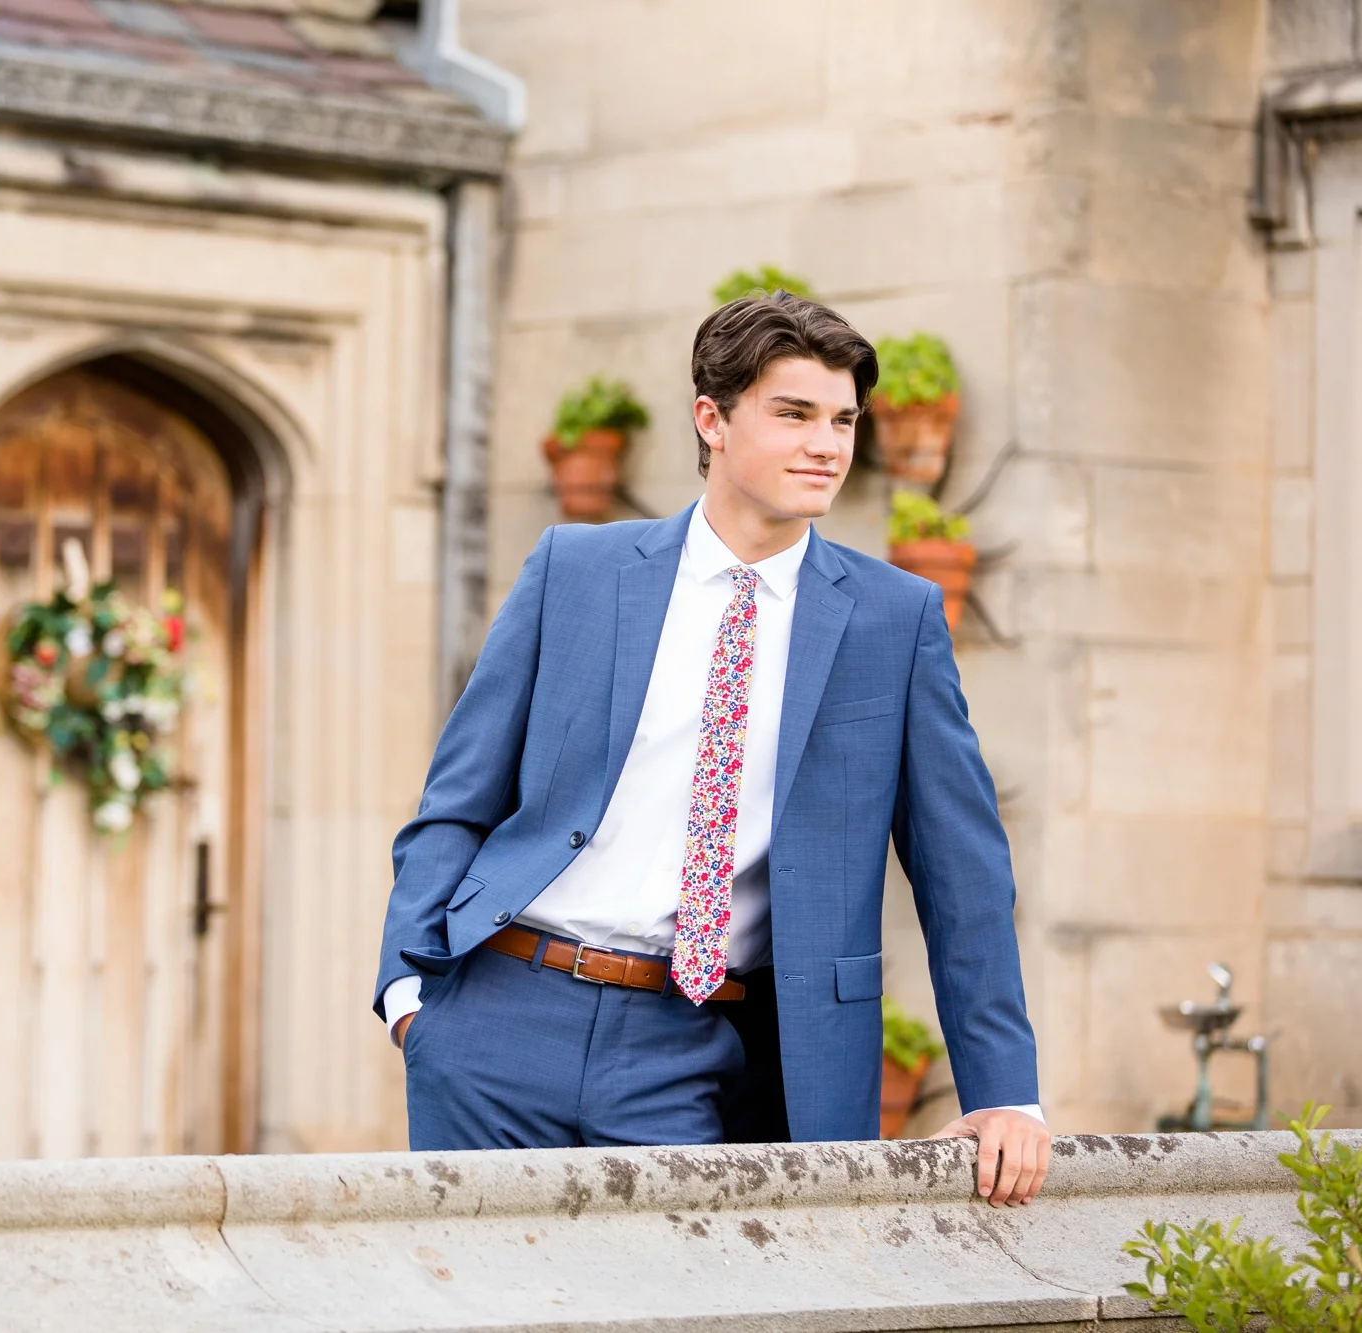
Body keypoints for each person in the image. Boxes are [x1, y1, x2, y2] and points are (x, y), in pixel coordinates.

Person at [372, 292, 1048, 1207]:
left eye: (845, 419)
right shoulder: (575, 570)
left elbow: (963, 870)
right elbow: (460, 794)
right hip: (501, 1015)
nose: (828, 444)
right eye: (795, 413)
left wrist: (1005, 1091)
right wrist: (410, 991)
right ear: (712, 419)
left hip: (691, 1044)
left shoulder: (895, 621)